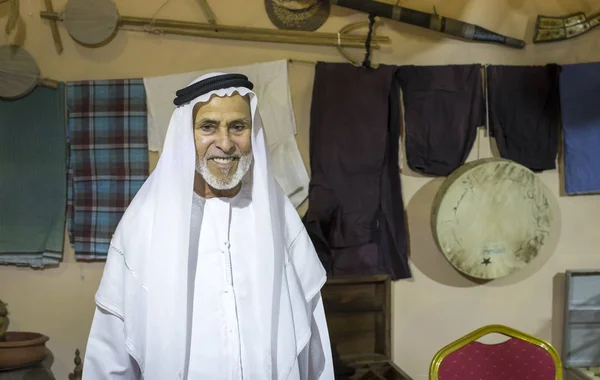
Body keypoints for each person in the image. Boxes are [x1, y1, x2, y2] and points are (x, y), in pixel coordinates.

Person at [81, 72, 334, 380]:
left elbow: (312, 338)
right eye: (208, 127)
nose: (225, 143)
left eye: (238, 127)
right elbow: (111, 354)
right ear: (186, 135)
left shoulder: (279, 217)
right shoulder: (144, 224)